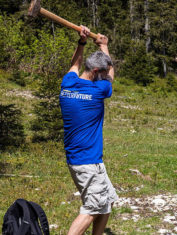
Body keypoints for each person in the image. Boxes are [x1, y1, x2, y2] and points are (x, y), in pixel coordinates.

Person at [59, 26, 118, 235]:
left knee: (107, 201)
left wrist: (82, 41)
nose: (105, 75)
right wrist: (104, 46)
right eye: (102, 72)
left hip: (84, 159)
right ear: (95, 71)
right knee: (92, 208)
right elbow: (111, 72)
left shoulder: (68, 84)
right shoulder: (98, 90)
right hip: (87, 161)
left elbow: (74, 64)